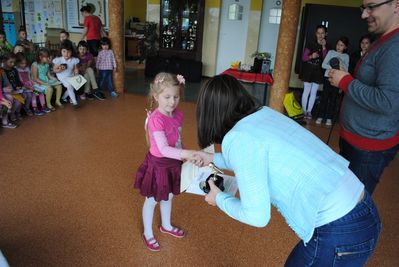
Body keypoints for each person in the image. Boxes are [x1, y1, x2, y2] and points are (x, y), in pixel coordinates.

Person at [192, 74, 381, 266]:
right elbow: (253, 158)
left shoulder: (238, 138)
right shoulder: (264, 113)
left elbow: (257, 216)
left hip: (341, 229)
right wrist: (211, 158)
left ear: (208, 114)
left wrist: (219, 198)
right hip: (364, 208)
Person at [328, 0, 399, 194]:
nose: (364, 15)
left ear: (396, 5)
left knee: (352, 208)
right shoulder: (384, 39)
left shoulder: (395, 46)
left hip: (368, 148)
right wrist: (348, 77)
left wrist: (346, 82)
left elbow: (388, 102)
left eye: (371, 7)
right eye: (363, 7)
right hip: (357, 140)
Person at [134, 72, 195, 252]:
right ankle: (147, 232)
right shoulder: (156, 119)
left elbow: (177, 140)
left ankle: (166, 226)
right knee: (152, 199)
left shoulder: (178, 115)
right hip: (159, 166)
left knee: (168, 196)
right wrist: (186, 153)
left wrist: (185, 154)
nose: (172, 101)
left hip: (173, 164)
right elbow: (162, 149)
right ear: (156, 96)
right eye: (167, 97)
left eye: (176, 97)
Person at [316, 36, 350, 127]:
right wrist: (333, 66)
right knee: (324, 97)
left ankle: (329, 117)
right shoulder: (331, 52)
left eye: (341, 45)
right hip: (328, 77)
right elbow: (323, 65)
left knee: (333, 99)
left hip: (337, 80)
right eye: (338, 44)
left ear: (345, 47)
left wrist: (340, 65)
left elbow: (346, 70)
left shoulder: (346, 56)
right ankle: (320, 116)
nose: (339, 47)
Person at [299, 25, 329, 120]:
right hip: (308, 71)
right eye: (318, 33)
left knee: (313, 92)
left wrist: (324, 47)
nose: (320, 35)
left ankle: (309, 112)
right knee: (306, 91)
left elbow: (326, 59)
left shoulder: (327, 46)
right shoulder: (310, 43)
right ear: (316, 34)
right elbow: (304, 58)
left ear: (326, 34)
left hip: (318, 72)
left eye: (322, 33)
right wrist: (311, 56)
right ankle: (303, 111)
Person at [2, 52, 33, 117]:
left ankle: (14, 113)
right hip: (6, 91)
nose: (13, 64)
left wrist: (21, 86)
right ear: (4, 61)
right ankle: (12, 114)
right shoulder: (2, 71)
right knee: (17, 100)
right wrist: (7, 89)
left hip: (16, 89)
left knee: (21, 99)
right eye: (11, 62)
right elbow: (3, 84)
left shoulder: (14, 70)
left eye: (14, 62)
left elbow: (18, 81)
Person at [53, 42, 80, 108]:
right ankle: (75, 102)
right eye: (64, 51)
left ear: (71, 52)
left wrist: (77, 72)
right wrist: (60, 70)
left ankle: (63, 98)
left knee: (73, 85)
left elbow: (75, 69)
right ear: (61, 51)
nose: (66, 54)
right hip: (62, 76)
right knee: (69, 86)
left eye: (68, 52)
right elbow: (54, 70)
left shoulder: (74, 60)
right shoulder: (59, 60)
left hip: (71, 75)